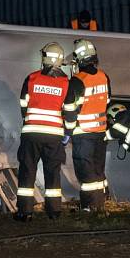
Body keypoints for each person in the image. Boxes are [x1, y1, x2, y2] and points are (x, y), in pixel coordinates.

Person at [15, 42, 80, 221]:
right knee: (53, 172)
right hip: (54, 136)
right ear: (59, 60)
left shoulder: (32, 78)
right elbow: (70, 112)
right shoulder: (66, 83)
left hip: (31, 133)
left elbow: (23, 106)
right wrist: (68, 133)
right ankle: (54, 211)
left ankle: (24, 212)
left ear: (44, 57)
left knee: (27, 171)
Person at [66, 39, 111, 212]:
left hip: (82, 133)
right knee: (98, 170)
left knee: (86, 173)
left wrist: (67, 132)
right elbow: (107, 101)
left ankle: (88, 208)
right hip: (100, 133)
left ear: (78, 59)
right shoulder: (103, 76)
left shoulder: (77, 81)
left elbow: (71, 110)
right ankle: (99, 205)